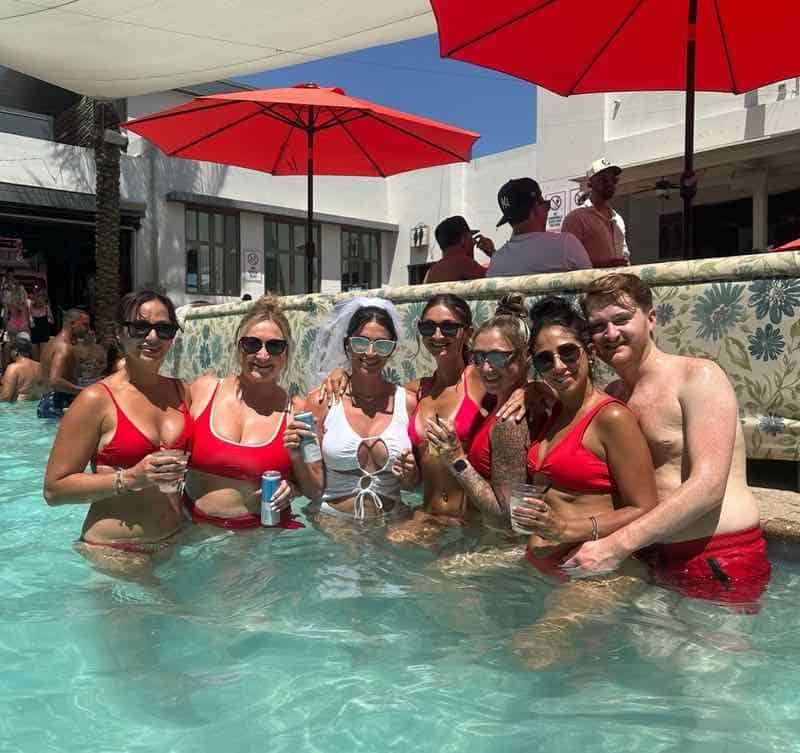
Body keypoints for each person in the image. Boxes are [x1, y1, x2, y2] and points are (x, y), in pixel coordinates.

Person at [565, 273, 770, 607]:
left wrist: (618, 545)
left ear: (651, 318)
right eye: (598, 326)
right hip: (652, 560)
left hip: (718, 557)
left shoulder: (697, 377)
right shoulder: (614, 397)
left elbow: (709, 485)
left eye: (621, 320)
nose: (610, 334)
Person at [514, 296, 658, 577]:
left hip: (590, 567)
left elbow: (645, 508)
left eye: (568, 352)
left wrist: (567, 529)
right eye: (545, 359)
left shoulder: (611, 418)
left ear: (588, 352)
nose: (558, 366)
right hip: (543, 562)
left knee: (548, 626)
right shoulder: (554, 413)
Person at [43, 290, 193, 553]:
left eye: (164, 329)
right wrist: (130, 478)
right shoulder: (96, 400)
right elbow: (54, 491)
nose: (153, 337)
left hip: (175, 540)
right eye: (140, 327)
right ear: (120, 334)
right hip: (116, 550)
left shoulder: (182, 391)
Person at [183, 298, 308, 530]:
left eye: (274, 347)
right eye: (252, 344)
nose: (262, 355)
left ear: (286, 354)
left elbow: (312, 486)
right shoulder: (205, 390)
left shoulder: (296, 411)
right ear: (238, 346)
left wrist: (292, 489)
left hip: (260, 537)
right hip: (194, 530)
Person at [292, 298, 418, 521]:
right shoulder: (322, 402)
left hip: (392, 524)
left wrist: (411, 474)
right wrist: (295, 456)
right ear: (347, 344)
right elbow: (313, 488)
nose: (370, 353)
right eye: (361, 343)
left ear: (392, 349)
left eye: (382, 345)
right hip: (333, 525)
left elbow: (414, 484)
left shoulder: (407, 403)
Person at [424, 296, 542, 531]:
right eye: (479, 357)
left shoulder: (511, 421)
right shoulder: (499, 404)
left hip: (502, 544)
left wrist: (456, 459)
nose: (486, 368)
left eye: (498, 357)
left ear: (526, 357)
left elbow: (507, 517)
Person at [486, 178, 592, 278]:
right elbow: (593, 283)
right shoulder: (566, 244)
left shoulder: (496, 262)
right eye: (546, 205)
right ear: (536, 209)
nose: (547, 210)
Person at [562, 158, 630, 268]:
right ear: (590, 184)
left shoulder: (618, 219)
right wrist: (605, 265)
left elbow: (624, 254)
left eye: (614, 180)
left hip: (618, 283)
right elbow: (568, 262)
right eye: (604, 180)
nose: (610, 184)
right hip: (591, 284)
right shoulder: (576, 218)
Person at [37, 308, 90, 419]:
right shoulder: (64, 347)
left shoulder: (51, 343)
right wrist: (82, 391)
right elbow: (55, 381)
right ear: (73, 324)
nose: (88, 329)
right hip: (58, 404)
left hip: (46, 403)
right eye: (85, 325)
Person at [423, 216, 495, 284]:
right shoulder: (463, 263)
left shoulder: (431, 272)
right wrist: (492, 253)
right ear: (463, 240)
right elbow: (500, 277)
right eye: (471, 237)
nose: (474, 242)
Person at [0, 333, 45, 402]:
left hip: (17, 409)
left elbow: (6, 396)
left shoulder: (13, 368)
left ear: (15, 351)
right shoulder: (40, 366)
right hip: (33, 408)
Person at [29, 285, 54, 360]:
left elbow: (52, 322)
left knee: (43, 358)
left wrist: (49, 318)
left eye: (41, 297)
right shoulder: (31, 307)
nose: (39, 299)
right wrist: (31, 322)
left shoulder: (46, 307)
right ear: (35, 298)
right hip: (34, 334)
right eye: (37, 296)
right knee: (35, 359)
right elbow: (29, 321)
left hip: (44, 334)